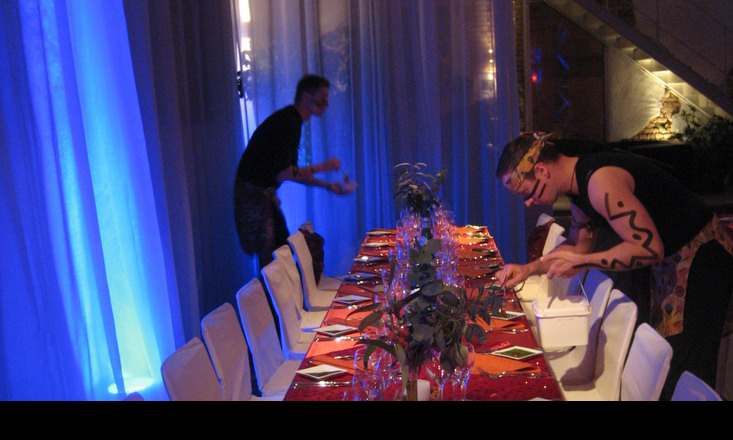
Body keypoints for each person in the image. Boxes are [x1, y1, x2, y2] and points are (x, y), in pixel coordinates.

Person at [495, 132, 733, 400]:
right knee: (670, 363)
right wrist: (529, 269)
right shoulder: (578, 187)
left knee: (687, 369)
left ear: (541, 170)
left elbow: (647, 248)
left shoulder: (600, 181)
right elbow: (579, 246)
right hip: (673, 262)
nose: (528, 202)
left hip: (701, 257)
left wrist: (584, 261)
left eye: (526, 193)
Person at [234, 74, 354, 271]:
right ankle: (271, 292)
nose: (326, 103)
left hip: (261, 195)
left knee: (280, 253)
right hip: (254, 197)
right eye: (323, 97)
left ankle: (277, 291)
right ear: (306, 97)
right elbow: (285, 174)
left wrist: (329, 185)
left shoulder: (291, 120)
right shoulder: (288, 122)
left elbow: (290, 172)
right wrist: (324, 167)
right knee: (274, 261)